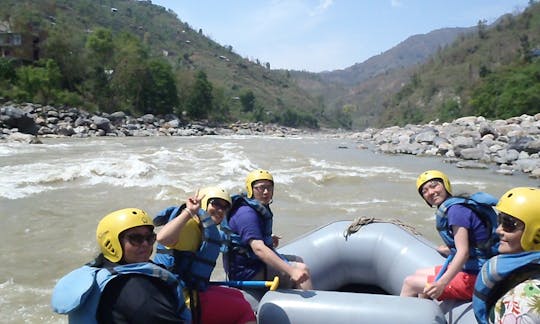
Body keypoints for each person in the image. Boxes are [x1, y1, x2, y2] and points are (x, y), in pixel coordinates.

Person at [51, 208, 190, 323]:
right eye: (136, 239)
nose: (146, 244)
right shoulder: (139, 291)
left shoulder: (99, 271)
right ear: (111, 243)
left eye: (150, 238)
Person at [153, 186, 256, 324]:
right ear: (204, 203)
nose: (220, 210)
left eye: (225, 207)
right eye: (216, 203)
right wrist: (189, 211)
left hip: (188, 290)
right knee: (244, 309)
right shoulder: (189, 225)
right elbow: (162, 238)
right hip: (178, 299)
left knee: (237, 295)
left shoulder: (205, 228)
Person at [400, 170, 499, 301]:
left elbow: (463, 253)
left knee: (410, 283)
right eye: (425, 191)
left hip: (478, 277)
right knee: (419, 274)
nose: (430, 192)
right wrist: (449, 249)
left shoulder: (456, 211)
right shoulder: (457, 206)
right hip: (476, 268)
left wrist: (441, 284)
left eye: (434, 185)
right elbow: (471, 244)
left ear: (445, 185)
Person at [221, 169, 312, 290]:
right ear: (250, 190)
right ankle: (307, 307)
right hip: (247, 271)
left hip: (253, 263)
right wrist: (291, 271)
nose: (266, 192)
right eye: (261, 188)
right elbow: (259, 249)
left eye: (269, 187)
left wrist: (267, 237)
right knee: (301, 269)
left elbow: (249, 236)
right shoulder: (246, 214)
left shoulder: (254, 206)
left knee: (298, 260)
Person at [473, 187, 540, 324]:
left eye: (509, 224)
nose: (498, 230)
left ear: (536, 234)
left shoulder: (524, 301)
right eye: (500, 220)